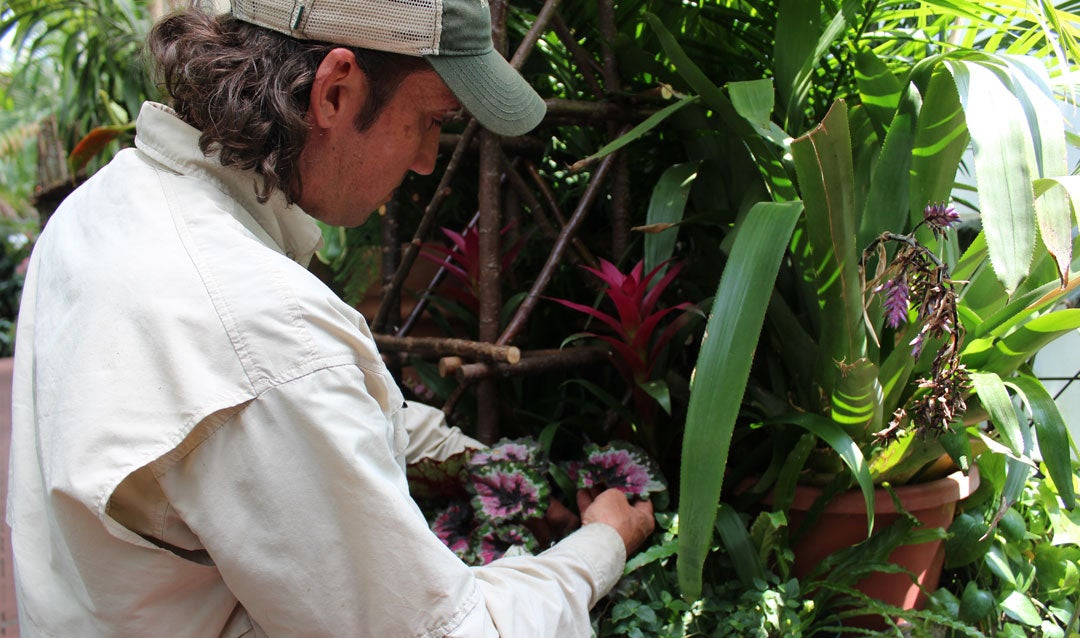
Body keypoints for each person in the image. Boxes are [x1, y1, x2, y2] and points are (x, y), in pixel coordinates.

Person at [6, 0, 655, 636]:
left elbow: (301, 416)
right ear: (336, 91)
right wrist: (602, 544)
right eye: (431, 120)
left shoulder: (104, 205)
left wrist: (471, 461)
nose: (429, 159)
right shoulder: (261, 332)